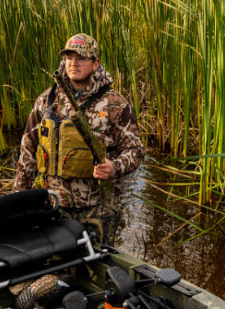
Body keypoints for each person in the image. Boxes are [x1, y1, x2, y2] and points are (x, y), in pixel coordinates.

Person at [13, 33, 145, 244]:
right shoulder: (46, 101)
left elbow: (136, 151)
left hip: (98, 208)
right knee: (57, 264)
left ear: (95, 64)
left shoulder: (114, 103)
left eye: (81, 58)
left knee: (98, 265)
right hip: (54, 205)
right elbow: (28, 150)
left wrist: (114, 167)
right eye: (69, 57)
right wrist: (18, 197)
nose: (74, 63)